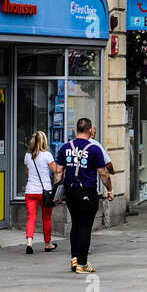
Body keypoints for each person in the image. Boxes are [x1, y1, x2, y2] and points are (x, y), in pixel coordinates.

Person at [54, 117, 113, 274]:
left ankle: (74, 258)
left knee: (76, 224)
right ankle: (82, 263)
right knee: (85, 227)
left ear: (76, 130)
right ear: (90, 131)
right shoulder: (94, 149)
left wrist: (56, 192)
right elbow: (103, 173)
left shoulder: (65, 147)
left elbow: (58, 173)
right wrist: (110, 190)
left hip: (70, 191)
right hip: (87, 190)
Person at [23, 131, 58, 255]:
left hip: (30, 191)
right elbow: (56, 171)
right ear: (44, 141)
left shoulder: (28, 156)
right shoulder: (47, 155)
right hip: (45, 192)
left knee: (31, 217)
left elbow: (27, 173)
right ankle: (48, 244)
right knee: (46, 218)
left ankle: (29, 243)